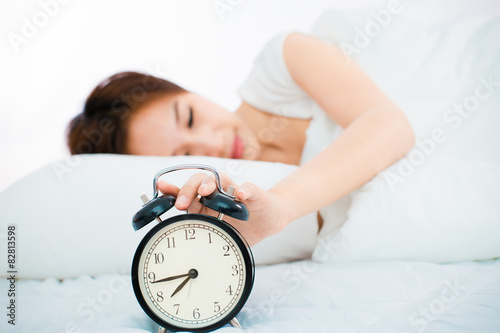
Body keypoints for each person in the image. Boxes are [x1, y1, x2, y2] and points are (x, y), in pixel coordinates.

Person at [67, 32, 415, 246]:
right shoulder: (234, 204)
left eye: (190, 116)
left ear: (189, 91)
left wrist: (283, 205)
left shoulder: (284, 62)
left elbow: (391, 125)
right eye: (185, 152)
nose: (211, 141)